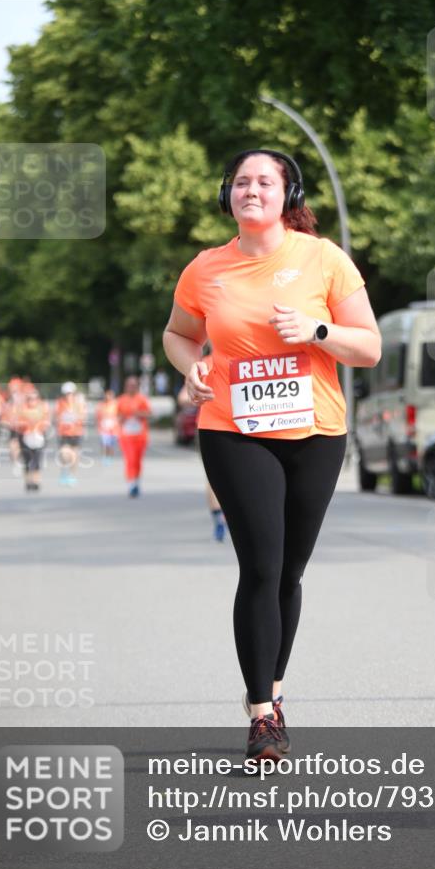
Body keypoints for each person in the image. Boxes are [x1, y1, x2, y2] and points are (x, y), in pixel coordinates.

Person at [163, 148, 381, 762]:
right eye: (240, 182)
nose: (250, 190)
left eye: (264, 182)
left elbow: (368, 348)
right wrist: (191, 366)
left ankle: (273, 693)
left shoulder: (324, 259)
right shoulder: (206, 269)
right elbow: (178, 334)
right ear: (225, 194)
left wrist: (316, 331)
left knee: (289, 572)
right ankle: (263, 715)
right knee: (260, 566)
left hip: (316, 431)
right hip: (234, 427)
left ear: (289, 194)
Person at [176, 381, 227, 542]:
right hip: (210, 427)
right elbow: (183, 397)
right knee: (214, 476)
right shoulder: (202, 365)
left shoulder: (242, 357)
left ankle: (230, 516)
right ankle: (219, 517)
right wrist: (200, 394)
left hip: (241, 427)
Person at [116, 376, 151, 497]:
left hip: (140, 436)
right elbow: (117, 416)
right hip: (126, 436)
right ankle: (131, 484)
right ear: (126, 387)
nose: (132, 388)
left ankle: (136, 481)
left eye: (134, 385)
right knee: (129, 459)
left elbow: (148, 414)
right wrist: (123, 417)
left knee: (137, 460)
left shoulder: (142, 400)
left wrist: (138, 413)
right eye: (129, 385)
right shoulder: (121, 400)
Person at [15, 387, 50, 492]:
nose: (32, 400)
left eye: (35, 398)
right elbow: (17, 422)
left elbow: (46, 421)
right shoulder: (22, 408)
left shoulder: (43, 407)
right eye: (30, 398)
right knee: (27, 460)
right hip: (25, 436)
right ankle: (28, 481)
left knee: (37, 459)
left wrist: (40, 428)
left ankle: (36, 481)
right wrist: (25, 426)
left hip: (38, 436)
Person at [55, 382, 86, 486]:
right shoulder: (60, 403)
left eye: (70, 393)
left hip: (76, 432)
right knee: (64, 454)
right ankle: (64, 470)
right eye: (66, 393)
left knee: (75, 454)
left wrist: (76, 418)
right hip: (64, 432)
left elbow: (82, 416)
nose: (68, 395)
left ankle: (72, 475)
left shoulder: (78, 403)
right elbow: (57, 417)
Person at [96, 389, 119, 464]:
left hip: (114, 428)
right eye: (107, 395)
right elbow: (98, 416)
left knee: (111, 444)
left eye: (110, 395)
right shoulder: (101, 405)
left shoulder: (116, 404)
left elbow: (120, 416)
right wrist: (99, 426)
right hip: (104, 428)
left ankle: (109, 456)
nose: (108, 397)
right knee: (105, 443)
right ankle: (105, 456)